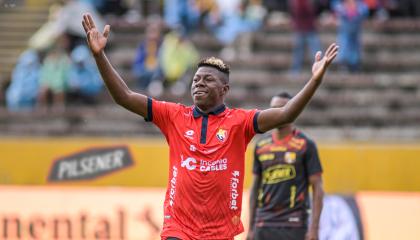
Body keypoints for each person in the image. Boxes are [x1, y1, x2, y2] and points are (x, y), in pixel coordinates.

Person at [81, 13, 338, 240]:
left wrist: (315, 80)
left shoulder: (241, 122)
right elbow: (124, 97)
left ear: (224, 89)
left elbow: (285, 113)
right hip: (177, 228)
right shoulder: (173, 115)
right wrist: (100, 56)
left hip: (220, 231)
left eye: (207, 80)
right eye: (195, 79)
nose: (199, 83)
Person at [247, 92, 324, 240]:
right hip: (264, 223)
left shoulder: (305, 145)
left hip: (294, 223)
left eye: (281, 108)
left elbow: (318, 188)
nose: (276, 112)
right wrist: (250, 227)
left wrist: (314, 229)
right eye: (273, 108)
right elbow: (255, 189)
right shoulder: (261, 146)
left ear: (292, 110)